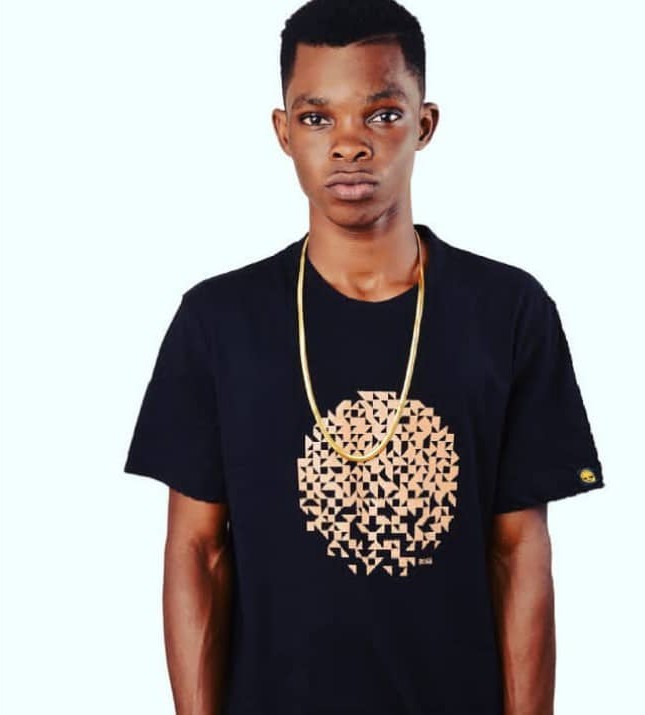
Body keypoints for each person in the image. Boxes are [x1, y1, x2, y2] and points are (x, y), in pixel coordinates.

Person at [123, 0, 606, 712]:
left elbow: (519, 553)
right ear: (283, 132)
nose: (349, 144)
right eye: (318, 118)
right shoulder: (218, 321)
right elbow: (198, 551)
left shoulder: (507, 311)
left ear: (424, 124)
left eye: (381, 114)